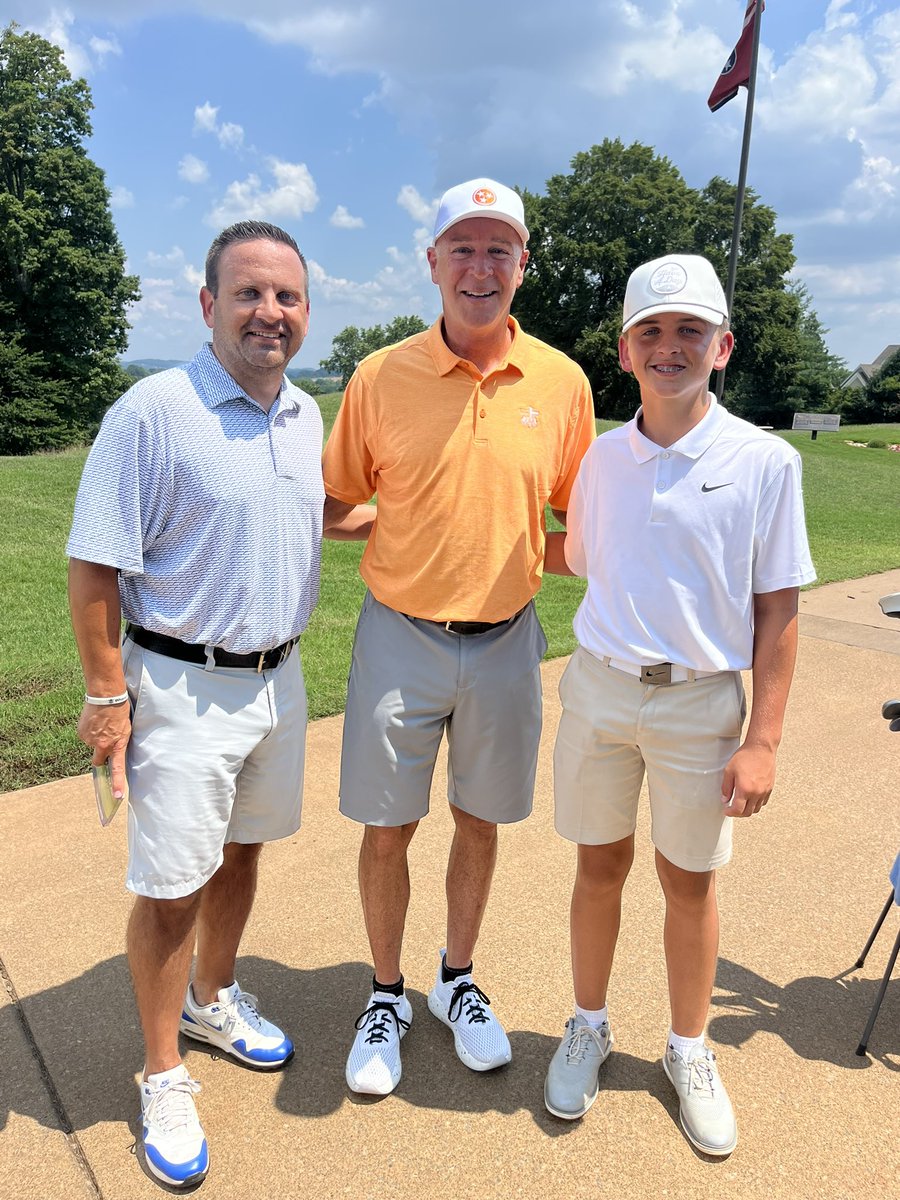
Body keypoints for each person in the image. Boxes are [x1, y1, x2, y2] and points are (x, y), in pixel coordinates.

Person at [67, 221, 326, 1189]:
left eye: (288, 297)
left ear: (306, 313)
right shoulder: (154, 411)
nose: (271, 313)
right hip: (178, 683)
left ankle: (211, 998)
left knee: (242, 852)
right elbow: (94, 562)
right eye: (250, 294)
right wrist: (105, 695)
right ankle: (161, 1069)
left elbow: (314, 515)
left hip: (278, 680)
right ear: (209, 303)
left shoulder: (304, 415)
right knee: (172, 886)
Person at [322, 178, 595, 1096]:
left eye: (499, 249)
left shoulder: (562, 383)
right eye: (463, 248)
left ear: (523, 264)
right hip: (401, 634)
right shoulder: (379, 375)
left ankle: (456, 980)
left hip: (510, 636)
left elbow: (576, 527)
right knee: (388, 826)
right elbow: (334, 504)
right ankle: (386, 992)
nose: (481, 267)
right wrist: (401, 527)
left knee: (480, 820)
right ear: (432, 262)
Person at [542, 254, 816, 1155]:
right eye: (650, 332)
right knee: (598, 865)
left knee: (689, 883)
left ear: (723, 346)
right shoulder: (600, 460)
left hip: (702, 704)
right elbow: (577, 559)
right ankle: (588, 1024)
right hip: (599, 686)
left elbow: (778, 606)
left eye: (690, 331)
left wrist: (765, 739)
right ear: (624, 351)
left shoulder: (765, 461)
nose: (669, 348)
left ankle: (688, 1049)